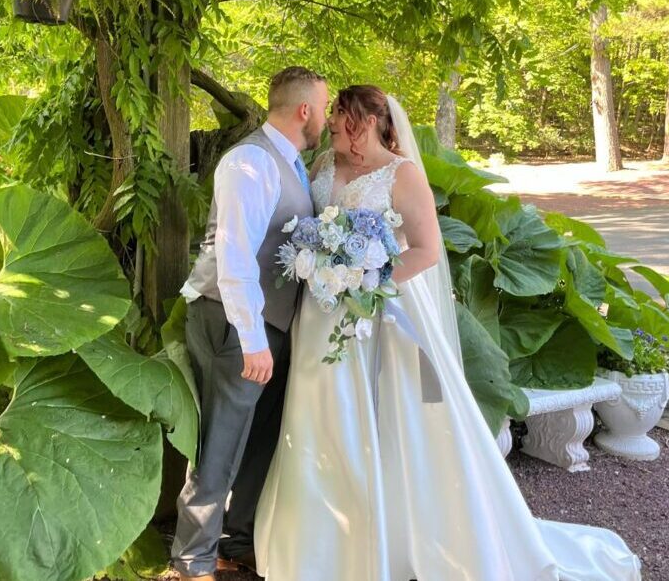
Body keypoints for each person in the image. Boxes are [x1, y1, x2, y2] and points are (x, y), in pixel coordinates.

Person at [254, 84, 642, 581]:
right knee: (320, 411)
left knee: (392, 415)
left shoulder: (402, 174)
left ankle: (395, 539)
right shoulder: (325, 166)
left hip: (383, 312)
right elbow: (314, 226)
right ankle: (319, 544)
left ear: (366, 120)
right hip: (322, 312)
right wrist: (326, 267)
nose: (329, 120)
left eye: (340, 113)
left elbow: (426, 250)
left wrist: (366, 281)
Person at [171, 66, 329, 580]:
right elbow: (235, 256)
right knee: (219, 443)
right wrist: (252, 338)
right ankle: (191, 560)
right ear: (304, 109)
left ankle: (238, 542)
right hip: (235, 323)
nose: (325, 119)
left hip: (269, 329)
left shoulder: (294, 164)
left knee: (259, 440)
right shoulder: (249, 163)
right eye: (323, 108)